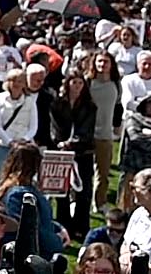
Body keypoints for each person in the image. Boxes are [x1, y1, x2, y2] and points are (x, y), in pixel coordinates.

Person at [0, 142, 66, 256]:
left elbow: (41, 220)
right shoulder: (19, 195)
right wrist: (58, 241)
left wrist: (59, 228)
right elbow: (31, 230)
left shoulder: (23, 189)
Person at [51, 67, 97, 241]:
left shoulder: (90, 106)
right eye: (74, 82)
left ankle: (81, 226)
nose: (77, 86)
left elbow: (87, 130)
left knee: (83, 191)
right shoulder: (57, 103)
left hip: (82, 152)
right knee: (61, 190)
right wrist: (60, 142)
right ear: (67, 83)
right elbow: (54, 126)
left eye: (80, 83)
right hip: (61, 152)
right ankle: (64, 225)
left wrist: (73, 143)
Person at [92, 51, 125, 205]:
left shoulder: (116, 84)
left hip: (105, 133)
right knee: (82, 172)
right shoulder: (87, 82)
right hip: (87, 133)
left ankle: (99, 202)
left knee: (103, 172)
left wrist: (117, 126)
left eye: (105, 62)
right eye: (99, 61)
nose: (102, 65)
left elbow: (118, 107)